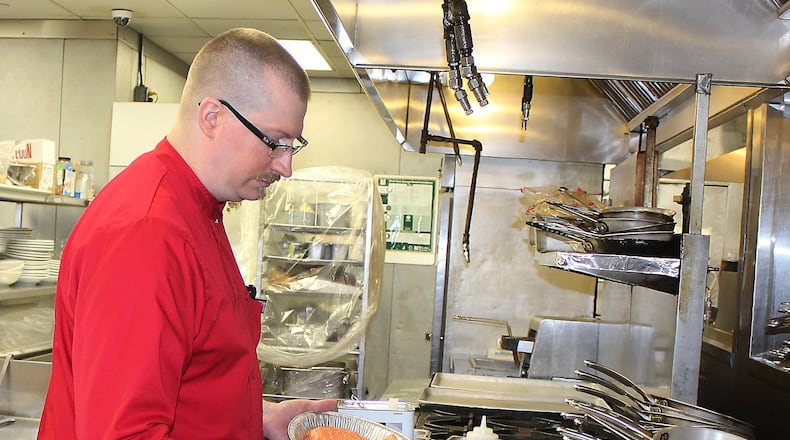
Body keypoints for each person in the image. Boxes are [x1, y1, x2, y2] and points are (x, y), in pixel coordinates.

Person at [38, 28, 336, 439]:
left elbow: (191, 379)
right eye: (274, 142)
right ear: (212, 117)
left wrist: (256, 419)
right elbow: (124, 432)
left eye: (292, 145)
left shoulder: (200, 213)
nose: (285, 166)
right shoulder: (147, 232)